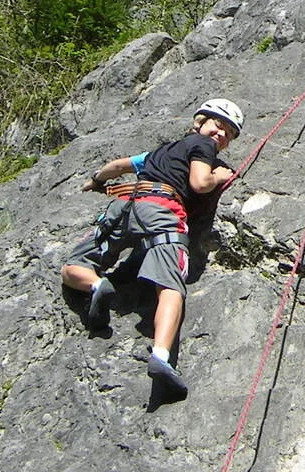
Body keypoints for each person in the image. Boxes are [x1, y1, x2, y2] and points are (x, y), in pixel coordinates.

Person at [61, 98, 243, 397]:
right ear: (200, 123)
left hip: (126, 205)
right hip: (163, 211)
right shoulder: (204, 146)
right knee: (170, 286)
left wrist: (96, 181)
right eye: (217, 126)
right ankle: (160, 356)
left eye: (228, 134)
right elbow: (199, 183)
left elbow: (118, 166)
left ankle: (95, 285)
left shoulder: (158, 153)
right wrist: (218, 176)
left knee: (73, 266)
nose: (220, 135)